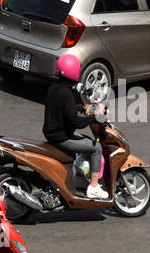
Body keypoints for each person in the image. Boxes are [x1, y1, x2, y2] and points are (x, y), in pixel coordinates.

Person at [42, 53, 108, 199]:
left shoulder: (55, 88)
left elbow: (64, 109)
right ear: (75, 72)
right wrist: (93, 117)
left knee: (85, 139)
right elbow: (76, 122)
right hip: (62, 138)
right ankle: (94, 187)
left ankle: (79, 179)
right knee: (96, 148)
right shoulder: (67, 94)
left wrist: (82, 107)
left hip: (52, 133)